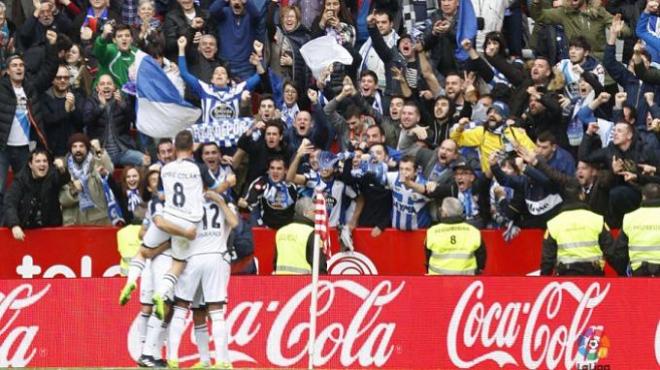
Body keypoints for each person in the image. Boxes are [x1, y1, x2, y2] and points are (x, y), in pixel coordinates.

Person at [119, 130, 232, 319]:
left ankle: (130, 281)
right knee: (178, 263)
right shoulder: (199, 168)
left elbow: (161, 195)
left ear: (174, 148)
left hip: (168, 216)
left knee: (143, 251)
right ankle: (161, 293)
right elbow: (215, 190)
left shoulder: (166, 169)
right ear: (191, 147)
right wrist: (228, 182)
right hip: (188, 221)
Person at [167, 191, 238, 369]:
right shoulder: (221, 203)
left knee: (184, 307)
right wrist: (220, 202)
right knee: (207, 310)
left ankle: (213, 360)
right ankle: (206, 360)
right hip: (212, 258)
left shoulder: (188, 205)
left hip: (197, 258)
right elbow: (235, 223)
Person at [0, 30, 58, 224]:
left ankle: (22, 222)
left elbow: (50, 70)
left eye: (21, 65)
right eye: (14, 66)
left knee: (27, 188)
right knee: (0, 189)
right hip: (3, 148)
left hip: (25, 148)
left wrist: (51, 46)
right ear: (7, 70)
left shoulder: (30, 87)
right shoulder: (0, 88)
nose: (19, 69)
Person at [541, 183, 616, 276]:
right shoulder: (597, 220)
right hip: (594, 276)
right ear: (582, 195)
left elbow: (547, 260)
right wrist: (625, 275)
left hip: (565, 277)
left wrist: (543, 280)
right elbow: (612, 253)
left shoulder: (553, 223)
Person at [5, 148, 69, 241]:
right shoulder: (20, 179)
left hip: (50, 230)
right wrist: (14, 225)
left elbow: (64, 179)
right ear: (30, 164)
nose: (42, 164)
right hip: (24, 230)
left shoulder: (52, 174)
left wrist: (62, 169)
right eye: (38, 161)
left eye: (45, 161)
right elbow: (10, 202)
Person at [59, 133, 115, 226]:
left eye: (81, 146)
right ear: (70, 149)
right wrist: (73, 190)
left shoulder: (96, 162)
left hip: (97, 220)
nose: (78, 150)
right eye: (74, 146)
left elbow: (109, 170)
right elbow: (61, 200)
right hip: (73, 222)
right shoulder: (63, 169)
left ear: (87, 148)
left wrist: (98, 150)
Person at [425, 197, 486, 275]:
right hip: (467, 281)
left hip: (437, 282)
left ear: (444, 213)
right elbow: (481, 259)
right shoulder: (473, 232)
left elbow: (427, 256)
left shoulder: (432, 232)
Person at [615, 183, 660, 277]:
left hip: (638, 271)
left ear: (643, 197)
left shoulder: (629, 217)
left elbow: (620, 251)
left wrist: (623, 272)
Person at [274, 196, 327, 274]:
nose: (318, 215)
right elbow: (319, 265)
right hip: (304, 283)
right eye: (315, 211)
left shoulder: (281, 231)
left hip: (281, 282)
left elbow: (275, 262)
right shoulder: (312, 234)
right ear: (305, 213)